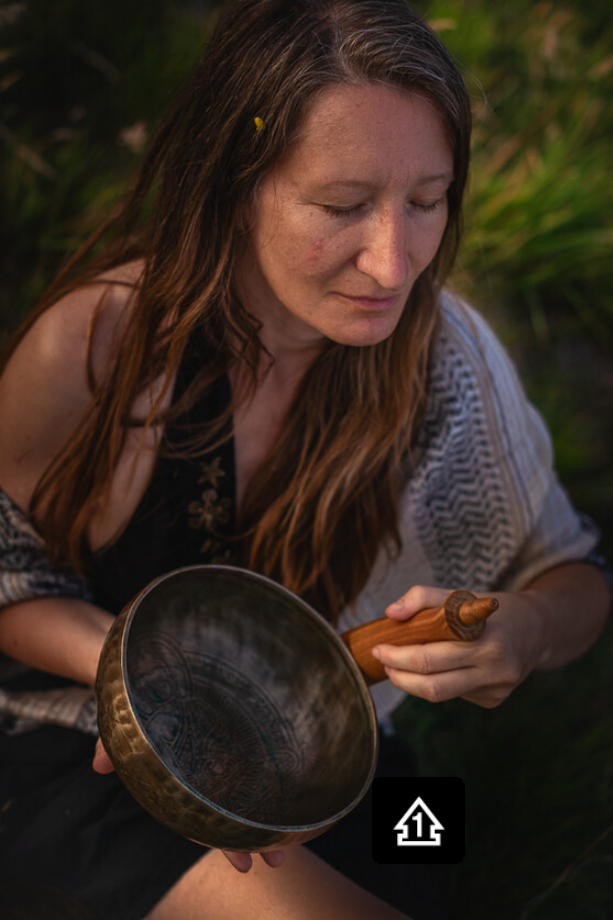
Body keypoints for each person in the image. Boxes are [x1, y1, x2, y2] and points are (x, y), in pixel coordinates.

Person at [0, 0, 610, 917]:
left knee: (432, 838)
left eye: (427, 200)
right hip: (78, 743)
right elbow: (5, 572)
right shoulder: (100, 347)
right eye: (341, 205)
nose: (393, 263)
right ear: (234, 180)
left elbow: (577, 574)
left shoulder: (446, 364)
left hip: (321, 762)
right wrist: (164, 693)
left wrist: (522, 634)